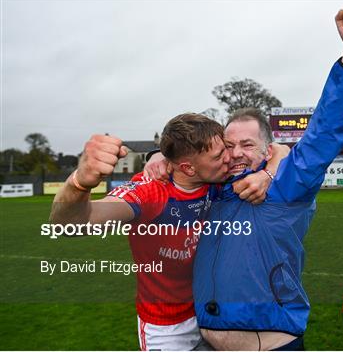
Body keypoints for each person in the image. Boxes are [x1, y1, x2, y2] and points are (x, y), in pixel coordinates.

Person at [188, 6, 343, 350]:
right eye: (230, 145)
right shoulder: (213, 189)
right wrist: (159, 158)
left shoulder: (287, 185)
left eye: (248, 144)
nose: (237, 152)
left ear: (267, 149)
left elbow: (324, 132)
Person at [49, 114, 286, 350]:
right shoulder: (150, 192)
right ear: (188, 168)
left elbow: (281, 150)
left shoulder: (215, 182)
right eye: (219, 155)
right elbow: (69, 225)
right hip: (166, 329)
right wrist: (79, 183)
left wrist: (268, 173)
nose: (230, 157)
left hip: (210, 315)